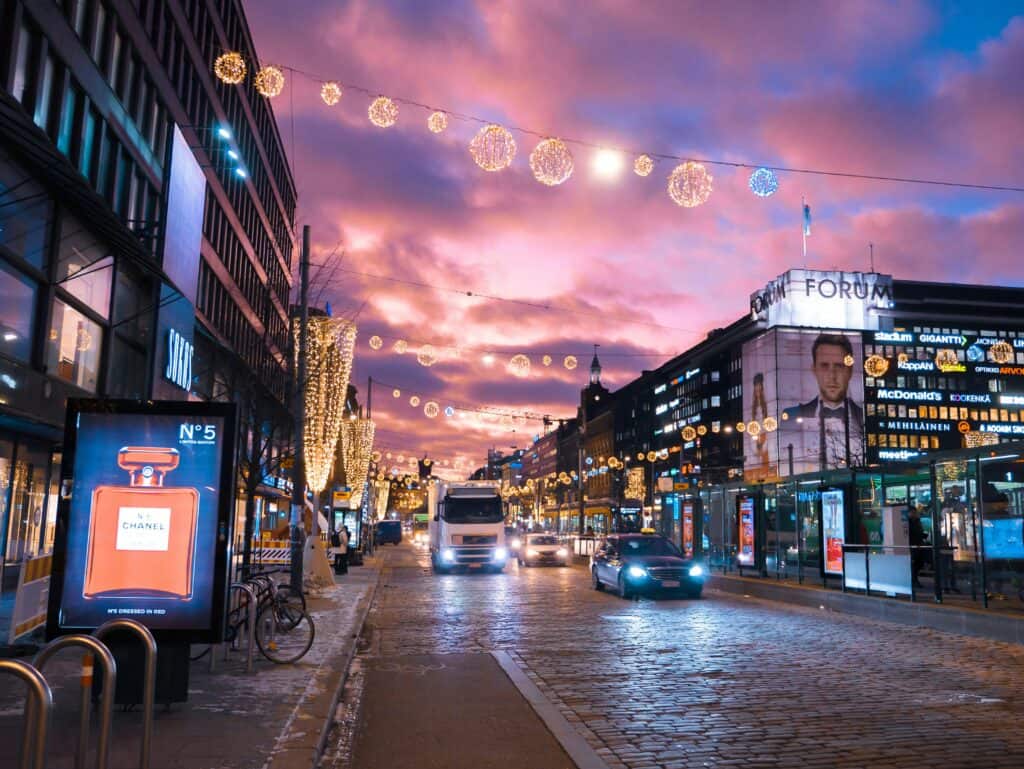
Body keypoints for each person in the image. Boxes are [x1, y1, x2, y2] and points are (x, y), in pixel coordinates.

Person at [782, 333, 865, 468]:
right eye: (825, 366)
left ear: (850, 370)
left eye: (839, 366)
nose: (832, 376)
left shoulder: (865, 418)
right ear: (814, 370)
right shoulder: (792, 416)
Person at [908, 504, 926, 588]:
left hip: (919, 544)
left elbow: (920, 532)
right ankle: (914, 580)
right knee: (914, 564)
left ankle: (914, 579)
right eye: (912, 512)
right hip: (912, 546)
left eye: (915, 512)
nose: (914, 514)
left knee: (920, 563)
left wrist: (923, 535)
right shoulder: (908, 523)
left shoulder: (918, 521)